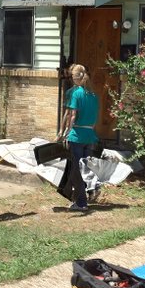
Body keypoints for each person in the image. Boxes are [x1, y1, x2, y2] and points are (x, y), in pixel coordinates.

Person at [56, 64, 99, 212]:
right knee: (87, 169)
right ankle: (91, 190)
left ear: (75, 78)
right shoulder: (93, 96)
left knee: (76, 171)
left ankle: (81, 203)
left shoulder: (76, 93)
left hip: (77, 136)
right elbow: (94, 121)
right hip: (90, 136)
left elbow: (72, 115)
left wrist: (66, 132)